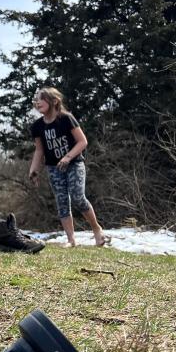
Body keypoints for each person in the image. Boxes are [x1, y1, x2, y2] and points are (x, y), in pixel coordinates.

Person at [28, 87, 107, 247]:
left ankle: (97, 229)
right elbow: (39, 150)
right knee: (62, 201)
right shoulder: (37, 126)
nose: (37, 102)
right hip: (53, 168)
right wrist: (34, 170)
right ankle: (71, 240)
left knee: (78, 197)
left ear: (54, 101)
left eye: (41, 98)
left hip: (74, 164)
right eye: (36, 99)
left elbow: (82, 141)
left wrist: (68, 157)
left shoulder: (66, 118)